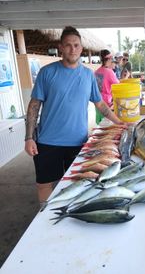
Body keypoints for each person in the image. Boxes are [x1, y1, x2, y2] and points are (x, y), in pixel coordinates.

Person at [24, 26, 125, 204]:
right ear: (61, 47)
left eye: (76, 45)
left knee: (78, 183)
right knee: (44, 184)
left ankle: (69, 214)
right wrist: (28, 138)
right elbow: (34, 105)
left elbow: (100, 104)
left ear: (81, 47)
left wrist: (120, 123)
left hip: (78, 142)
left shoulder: (88, 75)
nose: (73, 49)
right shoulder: (47, 72)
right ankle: (44, 218)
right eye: (68, 45)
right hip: (47, 141)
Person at [94, 49, 119, 124]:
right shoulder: (109, 72)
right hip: (106, 104)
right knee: (107, 124)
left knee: (100, 124)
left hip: (97, 102)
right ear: (109, 59)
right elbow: (118, 86)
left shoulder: (96, 71)